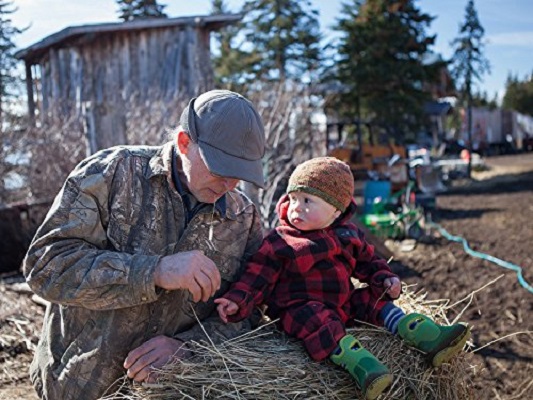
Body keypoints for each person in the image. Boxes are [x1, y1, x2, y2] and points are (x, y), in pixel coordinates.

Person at [23, 89, 266, 400]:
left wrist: (189, 348)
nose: (230, 185)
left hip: (172, 392)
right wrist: (154, 271)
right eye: (220, 169)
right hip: (79, 388)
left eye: (240, 175)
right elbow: (46, 267)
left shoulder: (243, 218)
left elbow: (250, 310)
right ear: (184, 143)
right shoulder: (110, 174)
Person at [215, 157, 470, 400]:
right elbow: (255, 277)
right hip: (300, 309)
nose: (296, 208)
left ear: (336, 210)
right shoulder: (280, 241)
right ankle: (362, 365)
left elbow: (370, 262)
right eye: (292, 199)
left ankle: (424, 335)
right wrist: (237, 301)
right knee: (317, 318)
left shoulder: (348, 234)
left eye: (307, 200)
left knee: (373, 300)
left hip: (342, 303)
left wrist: (385, 280)